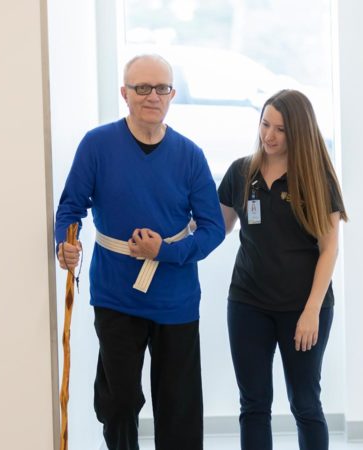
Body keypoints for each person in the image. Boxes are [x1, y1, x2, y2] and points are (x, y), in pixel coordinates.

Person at [55, 54, 225, 450]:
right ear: (125, 94)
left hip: (176, 300)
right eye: (142, 88)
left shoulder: (190, 156)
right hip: (116, 295)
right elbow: (70, 208)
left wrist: (164, 251)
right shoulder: (97, 145)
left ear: (172, 95)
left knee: (179, 408)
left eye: (161, 88)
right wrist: (65, 242)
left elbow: (213, 228)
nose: (152, 96)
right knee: (117, 402)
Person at [218, 89, 348, 450]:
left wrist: (311, 313)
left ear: (299, 133)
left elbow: (329, 249)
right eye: (265, 124)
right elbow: (217, 226)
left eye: (280, 129)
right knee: (254, 405)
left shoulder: (317, 177)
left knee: (305, 404)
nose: (269, 135)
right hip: (248, 304)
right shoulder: (242, 172)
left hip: (303, 307)